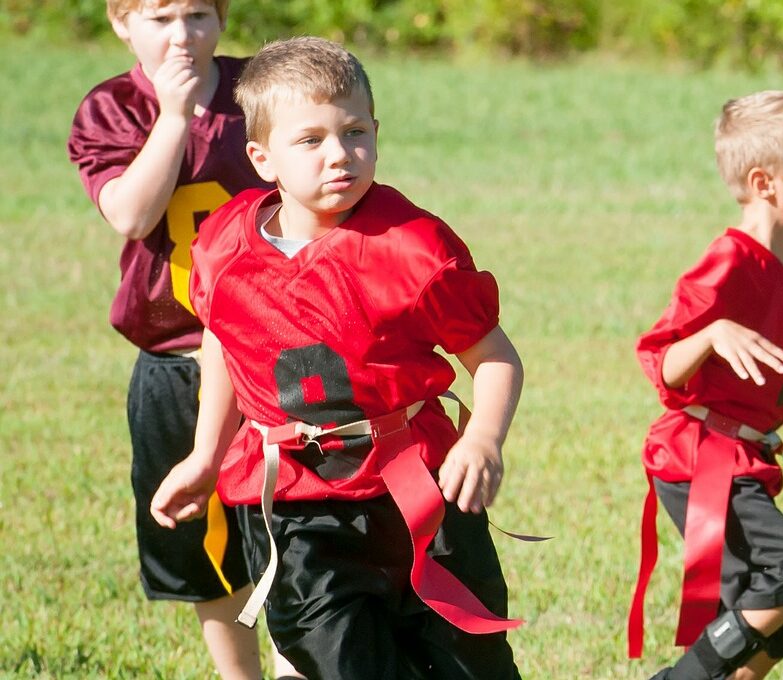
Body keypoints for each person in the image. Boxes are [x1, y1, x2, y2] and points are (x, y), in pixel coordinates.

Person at [149, 36, 525, 678]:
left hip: (421, 494)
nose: (340, 155)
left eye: (355, 132)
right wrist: (207, 454)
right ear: (262, 158)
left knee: (470, 668)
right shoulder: (224, 246)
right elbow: (223, 339)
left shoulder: (413, 247)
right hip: (301, 508)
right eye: (311, 140)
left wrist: (483, 439)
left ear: (377, 132)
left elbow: (495, 356)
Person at [67, 1, 272, 676]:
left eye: (197, 14)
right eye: (159, 18)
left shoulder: (265, 90)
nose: (182, 36)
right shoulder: (112, 108)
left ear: (221, 16)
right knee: (206, 552)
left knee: (297, 534)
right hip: (177, 358)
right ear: (121, 22)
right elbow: (131, 213)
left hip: (277, 354)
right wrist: (176, 116)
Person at [630, 90, 783, 680]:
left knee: (769, 642)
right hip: (698, 457)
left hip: (744, 458)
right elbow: (662, 366)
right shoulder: (728, 263)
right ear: (766, 181)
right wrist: (711, 334)